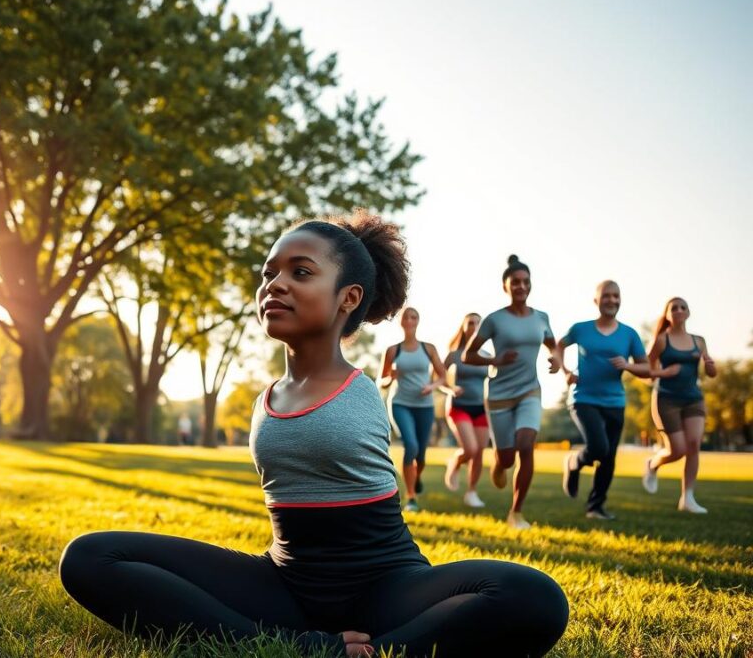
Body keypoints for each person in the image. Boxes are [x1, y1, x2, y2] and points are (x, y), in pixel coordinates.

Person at [60, 211, 569, 657]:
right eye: (269, 273)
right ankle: (306, 647)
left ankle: (380, 651)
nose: (274, 285)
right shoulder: (267, 398)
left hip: (385, 589)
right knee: (88, 556)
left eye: (300, 273)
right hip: (284, 584)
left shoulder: (360, 390)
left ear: (349, 298)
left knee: (533, 597)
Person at [463, 255, 563, 530]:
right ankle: (499, 462)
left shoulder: (541, 318)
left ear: (530, 285)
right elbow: (468, 355)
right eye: (515, 282)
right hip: (498, 395)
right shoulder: (494, 320)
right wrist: (494, 360)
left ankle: (516, 512)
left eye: (525, 282)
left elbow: (554, 346)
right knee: (508, 457)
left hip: (530, 391)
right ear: (506, 286)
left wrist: (556, 360)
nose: (521, 286)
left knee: (526, 445)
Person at [558, 281, 651, 520]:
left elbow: (646, 369)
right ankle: (574, 462)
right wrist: (565, 370)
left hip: (615, 402)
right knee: (599, 448)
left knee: (608, 458)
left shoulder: (629, 334)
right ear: (596, 300)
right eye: (606, 296)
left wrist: (628, 365)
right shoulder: (581, 329)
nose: (612, 300)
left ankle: (595, 507)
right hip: (583, 398)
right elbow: (558, 346)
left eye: (616, 296)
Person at [642, 297, 717, 513]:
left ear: (688, 313)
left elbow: (711, 374)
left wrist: (710, 366)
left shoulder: (699, 341)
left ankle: (688, 498)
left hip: (693, 398)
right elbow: (646, 372)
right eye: (674, 308)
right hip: (667, 399)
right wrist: (663, 373)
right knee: (678, 450)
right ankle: (653, 464)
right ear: (667, 314)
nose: (679, 310)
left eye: (683, 307)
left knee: (694, 445)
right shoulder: (661, 341)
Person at [377, 307, 447, 513]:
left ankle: (416, 477)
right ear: (401, 322)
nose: (409, 320)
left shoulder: (429, 348)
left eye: (413, 316)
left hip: (424, 406)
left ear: (418, 321)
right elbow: (381, 380)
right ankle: (411, 497)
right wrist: (391, 377)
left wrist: (432, 387)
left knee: (421, 455)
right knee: (411, 445)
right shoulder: (393, 350)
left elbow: (442, 376)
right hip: (400, 404)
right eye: (406, 317)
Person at [441, 313, 490, 509]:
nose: (475, 326)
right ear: (463, 327)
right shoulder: (454, 354)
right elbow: (438, 378)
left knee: (479, 453)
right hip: (458, 406)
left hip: (481, 408)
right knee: (470, 449)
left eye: (479, 323)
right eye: (471, 323)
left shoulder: (486, 355)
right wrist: (450, 389)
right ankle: (456, 461)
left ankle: (472, 492)